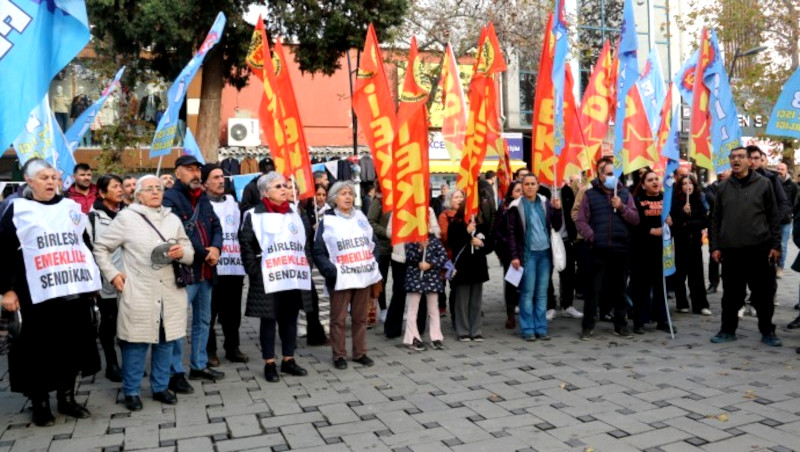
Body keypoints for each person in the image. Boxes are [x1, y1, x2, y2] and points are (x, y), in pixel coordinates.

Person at [0, 160, 101, 426]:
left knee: (71, 347)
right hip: (36, 296)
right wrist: (6, 290)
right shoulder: (17, 210)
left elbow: (83, 245)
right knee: (38, 351)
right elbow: (4, 252)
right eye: (43, 177)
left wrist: (91, 280)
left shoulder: (70, 207)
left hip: (71, 292)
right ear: (29, 181)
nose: (50, 182)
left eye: (53, 177)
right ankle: (40, 403)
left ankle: (67, 398)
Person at [93, 175, 194, 411]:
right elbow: (101, 247)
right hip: (139, 290)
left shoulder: (172, 218)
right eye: (149, 189)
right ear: (138, 195)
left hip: (170, 290)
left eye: (158, 188)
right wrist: (113, 274)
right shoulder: (126, 218)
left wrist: (183, 253)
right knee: (135, 343)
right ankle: (131, 391)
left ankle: (160, 387)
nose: (155, 192)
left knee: (166, 340)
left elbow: (188, 247)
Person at [240, 172, 313, 382]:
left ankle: (288, 359)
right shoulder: (253, 215)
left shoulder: (296, 212)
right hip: (267, 276)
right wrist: (254, 270)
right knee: (269, 319)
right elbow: (246, 243)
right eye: (278, 186)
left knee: (290, 317)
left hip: (293, 275)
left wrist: (306, 263)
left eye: (285, 186)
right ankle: (269, 363)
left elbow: (306, 242)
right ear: (265, 192)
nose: (284, 190)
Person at [162, 155, 224, 394]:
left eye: (198, 169)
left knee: (203, 320)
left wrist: (216, 247)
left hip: (206, 270)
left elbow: (216, 225)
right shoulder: (171, 198)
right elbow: (178, 235)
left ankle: (199, 365)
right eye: (189, 169)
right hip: (185, 271)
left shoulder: (203, 198)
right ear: (178, 173)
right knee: (177, 323)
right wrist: (205, 253)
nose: (196, 174)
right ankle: (174, 372)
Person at [710, 146, 782, 346]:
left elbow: (773, 217)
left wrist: (776, 246)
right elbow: (715, 220)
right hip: (731, 251)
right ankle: (727, 330)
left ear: (750, 161)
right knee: (731, 295)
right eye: (733, 157)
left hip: (759, 249)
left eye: (741, 156)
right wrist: (715, 247)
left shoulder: (764, 184)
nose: (736, 160)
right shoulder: (723, 187)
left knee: (764, 295)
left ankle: (768, 331)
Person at [313, 181, 381, 369]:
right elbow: (318, 251)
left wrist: (373, 263)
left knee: (360, 318)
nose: (348, 197)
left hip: (362, 276)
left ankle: (360, 353)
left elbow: (373, 243)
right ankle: (339, 355)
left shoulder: (360, 217)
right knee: (339, 319)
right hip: (340, 277)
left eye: (350, 193)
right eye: (343, 193)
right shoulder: (328, 221)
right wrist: (331, 271)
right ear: (334, 198)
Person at [575, 157, 640, 340]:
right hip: (598, 249)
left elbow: (635, 219)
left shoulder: (625, 194)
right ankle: (588, 326)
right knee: (593, 290)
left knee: (619, 290)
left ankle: (620, 325)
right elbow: (580, 220)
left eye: (615, 174)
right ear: (601, 175)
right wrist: (592, 236)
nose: (613, 177)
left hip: (620, 249)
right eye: (610, 173)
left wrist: (622, 207)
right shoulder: (590, 195)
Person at [505, 174, 562, 341]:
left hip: (545, 254)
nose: (530, 186)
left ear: (538, 186)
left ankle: (541, 328)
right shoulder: (515, 206)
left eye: (533, 184)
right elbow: (511, 234)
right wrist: (514, 256)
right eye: (526, 184)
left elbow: (557, 226)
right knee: (527, 293)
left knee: (542, 293)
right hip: (527, 255)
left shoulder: (545, 203)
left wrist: (557, 210)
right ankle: (527, 329)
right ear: (522, 187)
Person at [202, 164, 248, 365]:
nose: (221, 181)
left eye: (222, 177)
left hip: (234, 266)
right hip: (211, 267)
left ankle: (232, 347)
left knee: (232, 312)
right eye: (216, 177)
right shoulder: (201, 204)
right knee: (209, 312)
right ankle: (209, 350)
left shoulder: (233, 203)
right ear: (205, 183)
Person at [86, 174, 125, 382]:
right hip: (105, 282)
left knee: (127, 322)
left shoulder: (127, 214)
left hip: (129, 280)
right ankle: (112, 363)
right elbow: (88, 252)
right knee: (109, 323)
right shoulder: (91, 219)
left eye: (121, 186)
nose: (120, 190)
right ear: (102, 192)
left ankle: (130, 362)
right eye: (115, 187)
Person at [630, 170, 670, 334]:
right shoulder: (637, 200)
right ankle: (639, 321)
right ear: (643, 184)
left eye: (656, 179)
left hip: (662, 250)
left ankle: (663, 320)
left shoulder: (666, 199)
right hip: (642, 251)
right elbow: (633, 222)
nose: (655, 182)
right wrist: (650, 230)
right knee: (641, 287)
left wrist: (673, 220)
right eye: (650, 180)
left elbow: (679, 218)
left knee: (661, 287)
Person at [448, 195, 492, 342]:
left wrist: (481, 243)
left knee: (476, 302)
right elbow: (453, 243)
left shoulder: (482, 225)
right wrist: (466, 232)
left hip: (478, 267)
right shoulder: (456, 224)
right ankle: (463, 331)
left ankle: (476, 330)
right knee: (462, 301)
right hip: (462, 268)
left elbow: (490, 245)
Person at [403, 211, 447, 351]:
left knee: (433, 309)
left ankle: (436, 337)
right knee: (413, 309)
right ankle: (413, 337)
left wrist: (430, 264)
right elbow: (409, 257)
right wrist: (420, 249)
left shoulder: (435, 240)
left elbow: (443, 257)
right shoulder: (411, 240)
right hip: (415, 278)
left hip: (432, 279)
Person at [670, 174, 711, 316]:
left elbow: (705, 221)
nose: (688, 186)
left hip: (695, 243)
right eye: (684, 183)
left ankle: (700, 304)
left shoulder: (699, 200)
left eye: (690, 183)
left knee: (697, 275)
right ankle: (681, 303)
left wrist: (688, 223)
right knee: (680, 275)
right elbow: (674, 223)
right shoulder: (675, 202)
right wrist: (683, 213)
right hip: (680, 243)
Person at [493, 181, 523, 328]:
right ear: (511, 193)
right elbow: (497, 231)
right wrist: (508, 243)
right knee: (512, 282)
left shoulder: (530, 205)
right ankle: (511, 314)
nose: (521, 193)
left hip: (527, 250)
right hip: (510, 251)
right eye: (517, 190)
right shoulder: (505, 208)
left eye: (522, 190)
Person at [557, 174, 585, 320]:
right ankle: (549, 306)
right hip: (548, 240)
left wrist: (574, 235)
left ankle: (567, 305)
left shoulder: (566, 191)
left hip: (566, 238)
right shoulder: (541, 191)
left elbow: (572, 212)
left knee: (568, 274)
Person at [367, 184, 392, 324]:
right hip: (382, 247)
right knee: (382, 280)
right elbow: (371, 222)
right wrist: (386, 233)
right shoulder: (378, 201)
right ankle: (383, 309)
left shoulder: (399, 199)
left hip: (398, 247)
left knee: (399, 281)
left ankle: (394, 308)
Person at [703, 171, 729, 294]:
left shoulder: (734, 186)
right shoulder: (710, 188)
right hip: (714, 226)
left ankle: (728, 283)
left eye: (724, 171)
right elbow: (713, 200)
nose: (721, 173)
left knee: (729, 256)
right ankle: (713, 283)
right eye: (719, 171)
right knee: (713, 254)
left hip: (730, 226)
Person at [776, 162, 798, 278]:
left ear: (786, 171)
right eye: (778, 169)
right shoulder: (772, 182)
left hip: (786, 220)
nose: (780, 171)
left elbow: (795, 201)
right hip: (773, 219)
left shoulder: (792, 185)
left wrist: (790, 212)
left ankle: (780, 267)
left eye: (782, 169)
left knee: (783, 245)